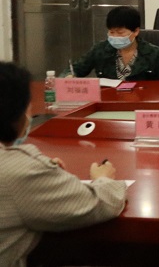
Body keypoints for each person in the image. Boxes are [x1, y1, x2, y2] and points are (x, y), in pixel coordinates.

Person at [0, 61, 126, 267]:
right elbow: (101, 204)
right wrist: (104, 179)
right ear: (18, 115)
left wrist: (41, 169)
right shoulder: (19, 171)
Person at [68, 5, 159, 80]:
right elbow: (76, 69)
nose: (115, 36)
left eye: (120, 33)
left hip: (141, 99)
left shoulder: (153, 53)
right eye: (112, 32)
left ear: (136, 31)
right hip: (108, 99)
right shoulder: (100, 50)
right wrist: (69, 76)